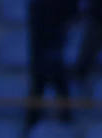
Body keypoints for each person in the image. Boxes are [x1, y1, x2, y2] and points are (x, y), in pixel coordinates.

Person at [26, 0, 78, 130]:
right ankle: (33, 119)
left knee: (54, 80)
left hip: (54, 43)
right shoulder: (38, 6)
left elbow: (72, 13)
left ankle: (65, 117)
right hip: (44, 44)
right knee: (41, 82)